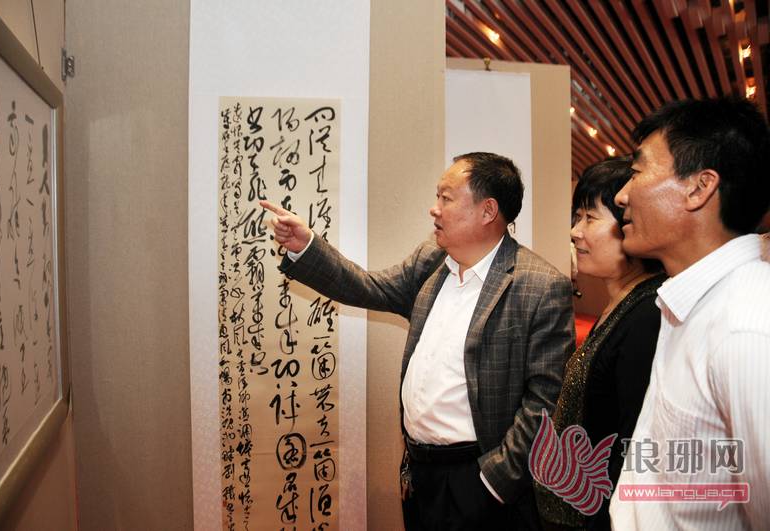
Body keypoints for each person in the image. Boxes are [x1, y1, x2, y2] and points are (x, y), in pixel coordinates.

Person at [260, 152, 575, 530]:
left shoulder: (539, 286)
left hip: (480, 481)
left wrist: (493, 482)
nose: (434, 208)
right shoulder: (432, 261)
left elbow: (545, 403)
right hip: (420, 475)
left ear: (488, 210)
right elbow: (369, 287)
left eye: (446, 197)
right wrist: (307, 244)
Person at [609, 97, 770, 530]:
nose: (622, 195)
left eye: (637, 171)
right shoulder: (688, 301)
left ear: (700, 188)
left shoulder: (747, 326)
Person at [533, 158, 665, 531]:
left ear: (631, 221)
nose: (575, 232)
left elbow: (631, 448)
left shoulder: (648, 315)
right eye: (577, 217)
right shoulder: (621, 302)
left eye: (590, 218)